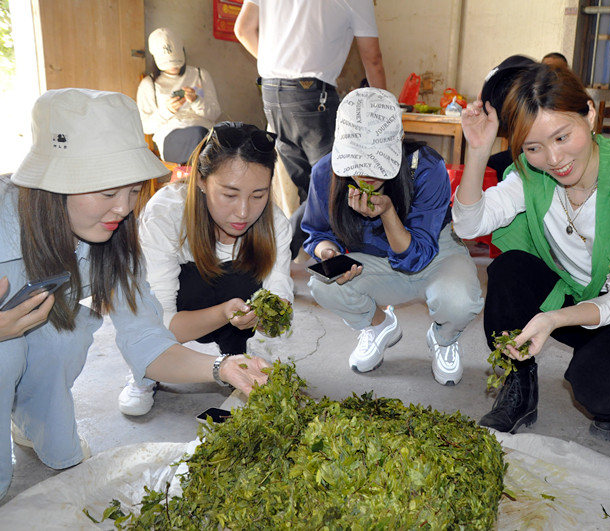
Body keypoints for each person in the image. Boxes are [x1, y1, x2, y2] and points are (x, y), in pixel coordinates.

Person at [0, 88, 270, 500]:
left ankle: (29, 413)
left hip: (34, 337)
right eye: (108, 193)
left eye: (132, 191)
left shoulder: (113, 239)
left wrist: (223, 368)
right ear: (52, 185)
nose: (124, 208)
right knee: (7, 353)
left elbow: (147, 340)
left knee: (63, 334)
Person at [453, 60, 610, 440]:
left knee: (605, 391)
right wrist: (477, 152)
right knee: (509, 269)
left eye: (562, 137)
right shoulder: (531, 173)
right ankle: (519, 381)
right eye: (534, 147)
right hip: (564, 295)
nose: (554, 159)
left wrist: (553, 320)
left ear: (589, 114)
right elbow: (469, 225)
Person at [302, 88, 483, 386]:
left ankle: (444, 338)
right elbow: (317, 232)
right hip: (371, 259)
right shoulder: (325, 171)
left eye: (376, 159)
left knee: (460, 300)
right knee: (323, 283)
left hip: (433, 254)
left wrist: (388, 213)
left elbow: (417, 256)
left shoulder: (426, 167)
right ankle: (379, 326)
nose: (366, 172)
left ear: (399, 140)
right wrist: (328, 253)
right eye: (357, 159)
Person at [117, 122, 293, 416]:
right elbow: (161, 322)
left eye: (258, 195)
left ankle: (236, 358)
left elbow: (280, 307)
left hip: (229, 305)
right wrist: (224, 312)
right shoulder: (165, 214)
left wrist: (266, 316)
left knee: (244, 280)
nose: (243, 212)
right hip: (179, 307)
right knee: (152, 317)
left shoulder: (275, 223)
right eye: (229, 194)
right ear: (201, 180)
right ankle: (145, 371)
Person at [234, 0, 387, 259]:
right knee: (332, 187)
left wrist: (281, 68)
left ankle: (316, 254)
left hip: (272, 93)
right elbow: (373, 58)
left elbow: (243, 29)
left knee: (309, 187)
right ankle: (270, 254)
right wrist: (384, 112)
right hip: (312, 98)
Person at [136, 27, 221, 165]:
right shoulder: (149, 84)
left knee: (223, 136)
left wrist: (196, 101)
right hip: (172, 136)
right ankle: (200, 173)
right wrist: (167, 111)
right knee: (201, 140)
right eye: (167, 62)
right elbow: (145, 127)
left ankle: (198, 173)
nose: (173, 66)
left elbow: (215, 113)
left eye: (176, 60)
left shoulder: (200, 75)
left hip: (204, 132)